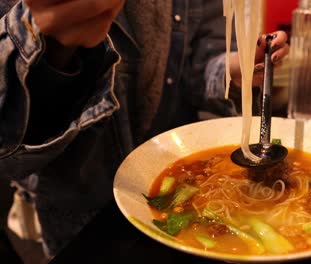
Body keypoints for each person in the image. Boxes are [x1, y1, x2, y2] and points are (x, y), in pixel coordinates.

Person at [0, 0, 289, 258]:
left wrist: (235, 68)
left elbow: (197, 63)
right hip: (83, 223)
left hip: (180, 189)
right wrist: (47, 48)